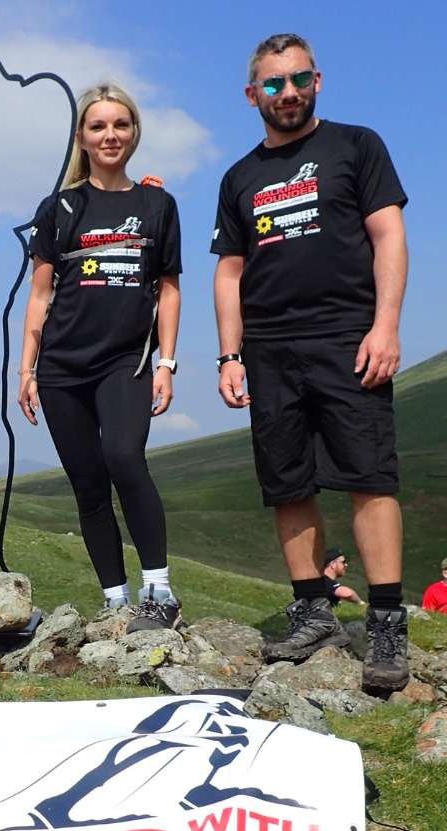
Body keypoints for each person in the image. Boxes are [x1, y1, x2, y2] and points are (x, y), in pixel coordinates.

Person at [212, 33, 409, 691]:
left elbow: (389, 235)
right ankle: (313, 613)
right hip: (269, 348)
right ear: (253, 95)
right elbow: (230, 271)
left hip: (348, 337)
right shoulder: (239, 177)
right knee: (287, 483)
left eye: (299, 79)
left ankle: (386, 624)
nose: (288, 92)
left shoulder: (357, 146)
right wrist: (230, 353)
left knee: (369, 477)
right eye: (274, 83)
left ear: (317, 81)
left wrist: (385, 326)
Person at [19, 84, 182, 630]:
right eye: (98, 126)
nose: (110, 135)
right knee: (88, 483)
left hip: (125, 362)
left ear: (134, 133)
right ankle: (115, 600)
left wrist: (166, 363)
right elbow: (40, 294)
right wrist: (26, 368)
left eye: (120, 125)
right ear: (82, 137)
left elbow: (169, 289)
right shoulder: (59, 208)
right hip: (61, 367)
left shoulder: (157, 205)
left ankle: (159, 591)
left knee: (124, 457)